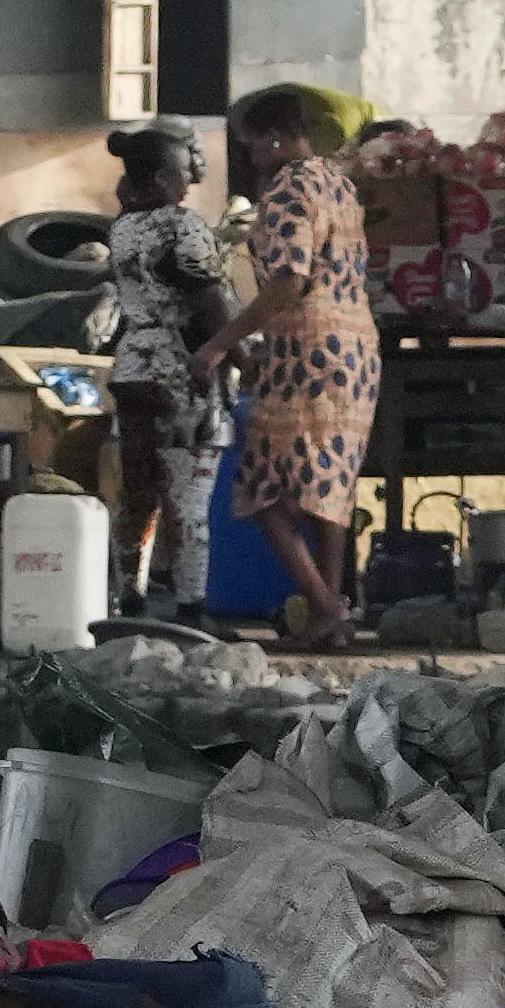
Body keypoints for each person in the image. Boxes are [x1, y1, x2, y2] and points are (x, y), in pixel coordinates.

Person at [217, 85, 382, 641]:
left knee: (265, 487)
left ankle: (325, 606)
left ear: (276, 138)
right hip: (356, 349)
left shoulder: (289, 187)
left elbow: (289, 279)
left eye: (254, 145)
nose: (252, 158)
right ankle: (328, 613)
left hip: (308, 351)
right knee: (330, 482)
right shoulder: (339, 183)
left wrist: (223, 341)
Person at [88, 123, 233, 624]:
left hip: (132, 370)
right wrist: (236, 355)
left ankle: (131, 600)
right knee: (190, 497)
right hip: (179, 373)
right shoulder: (182, 227)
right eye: (178, 174)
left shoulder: (123, 229)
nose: (187, 183)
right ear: (154, 179)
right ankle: (193, 607)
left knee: (138, 492)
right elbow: (210, 304)